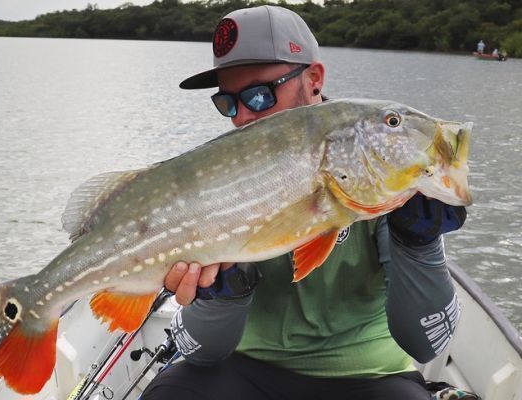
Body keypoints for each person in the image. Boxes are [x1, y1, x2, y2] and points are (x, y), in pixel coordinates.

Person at [142, 6, 467, 400]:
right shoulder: (217, 182)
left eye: (260, 96)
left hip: (369, 375)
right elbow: (204, 353)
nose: (243, 117)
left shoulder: (376, 165)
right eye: (228, 103)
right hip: (245, 367)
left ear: (313, 79)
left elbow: (425, 343)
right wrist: (226, 291)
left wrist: (419, 243)